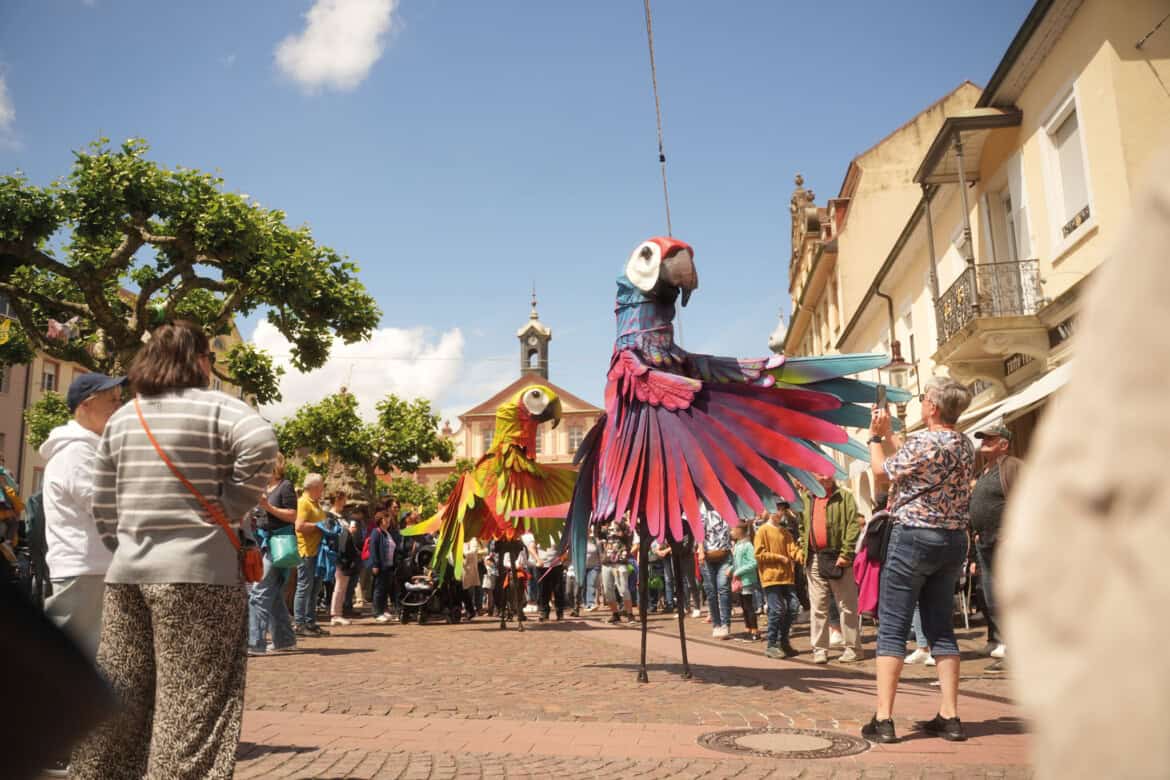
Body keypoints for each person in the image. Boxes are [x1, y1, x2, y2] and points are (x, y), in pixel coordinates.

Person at [72, 320, 278, 779]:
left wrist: (120, 542)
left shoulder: (125, 416)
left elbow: (103, 497)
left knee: (122, 696)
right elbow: (262, 444)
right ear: (200, 360)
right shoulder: (220, 409)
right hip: (198, 573)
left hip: (127, 573)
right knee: (192, 704)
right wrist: (229, 507)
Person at [866, 375, 975, 744]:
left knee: (894, 627)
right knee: (941, 627)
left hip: (912, 537)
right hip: (952, 540)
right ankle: (951, 715)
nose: (922, 402)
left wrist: (874, 438)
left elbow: (882, 474)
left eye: (924, 398)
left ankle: (884, 719)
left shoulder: (924, 442)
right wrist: (893, 435)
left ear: (932, 406)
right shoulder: (963, 444)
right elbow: (915, 461)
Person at [39, 373, 125, 663]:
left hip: (96, 568)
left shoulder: (92, 448)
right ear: (86, 406)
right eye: (111, 400)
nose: (119, 406)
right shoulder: (76, 452)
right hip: (85, 569)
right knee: (66, 668)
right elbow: (107, 505)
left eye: (119, 399)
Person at [969, 423, 1021, 668]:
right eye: (983, 438)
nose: (985, 441)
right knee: (990, 596)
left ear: (1004, 444)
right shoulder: (983, 471)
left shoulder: (1013, 466)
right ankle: (1000, 642)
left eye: (991, 439)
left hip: (1005, 540)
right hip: (985, 540)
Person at [800, 473, 863, 664]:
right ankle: (819, 649)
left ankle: (853, 648)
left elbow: (853, 525)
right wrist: (803, 546)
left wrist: (846, 553)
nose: (826, 476)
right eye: (820, 473)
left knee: (847, 605)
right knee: (818, 606)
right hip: (815, 557)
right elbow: (803, 527)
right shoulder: (806, 498)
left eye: (829, 472)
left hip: (838, 555)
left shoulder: (844, 497)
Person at [248, 453, 298, 656]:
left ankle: (255, 642)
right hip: (263, 542)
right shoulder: (263, 489)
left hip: (279, 544)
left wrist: (267, 507)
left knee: (258, 593)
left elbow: (293, 515)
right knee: (274, 594)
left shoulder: (285, 486)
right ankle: (284, 639)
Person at [755, 509, 803, 658]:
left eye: (781, 509)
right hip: (771, 577)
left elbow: (793, 550)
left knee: (793, 607)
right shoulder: (762, 531)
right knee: (776, 610)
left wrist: (803, 555)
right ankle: (771, 644)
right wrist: (778, 558)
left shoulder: (785, 532)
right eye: (776, 509)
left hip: (787, 577)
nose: (779, 512)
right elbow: (759, 554)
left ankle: (783, 641)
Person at [292, 474, 329, 637]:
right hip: (306, 551)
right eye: (321, 487)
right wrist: (319, 526)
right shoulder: (303, 502)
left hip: (318, 552)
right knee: (304, 587)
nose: (323, 490)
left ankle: (310, 621)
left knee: (314, 590)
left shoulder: (316, 503)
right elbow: (299, 526)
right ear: (314, 487)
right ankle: (299, 624)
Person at [698, 504, 734, 639]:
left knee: (724, 588)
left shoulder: (727, 505)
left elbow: (733, 529)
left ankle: (725, 624)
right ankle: (716, 624)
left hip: (724, 553)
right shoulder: (703, 508)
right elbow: (698, 529)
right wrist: (701, 550)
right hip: (707, 555)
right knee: (711, 591)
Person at [598, 515, 633, 623]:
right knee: (608, 590)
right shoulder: (606, 523)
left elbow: (628, 536)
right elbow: (599, 534)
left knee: (623, 589)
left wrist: (620, 525)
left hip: (620, 562)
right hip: (607, 562)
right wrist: (599, 523)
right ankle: (615, 614)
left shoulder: (624, 523)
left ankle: (630, 614)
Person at [730, 523, 760, 641]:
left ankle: (755, 630)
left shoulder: (748, 545)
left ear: (740, 530)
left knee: (748, 606)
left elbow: (753, 563)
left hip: (747, 580)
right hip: (740, 581)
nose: (731, 532)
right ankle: (748, 628)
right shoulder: (737, 545)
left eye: (733, 529)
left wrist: (738, 571)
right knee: (743, 605)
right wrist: (731, 569)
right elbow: (736, 562)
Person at [367, 511, 397, 623]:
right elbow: (373, 549)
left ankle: (383, 610)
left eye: (388, 519)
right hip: (380, 565)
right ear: (380, 520)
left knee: (385, 589)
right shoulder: (376, 532)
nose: (388, 521)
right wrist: (375, 564)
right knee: (379, 589)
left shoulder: (387, 533)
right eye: (386, 519)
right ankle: (377, 613)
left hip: (388, 565)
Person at [335, 514, 361, 622]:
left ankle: (347, 606)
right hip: (346, 563)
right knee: (343, 588)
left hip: (353, 562)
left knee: (351, 585)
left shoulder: (355, 532)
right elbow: (344, 549)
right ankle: (341, 610)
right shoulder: (346, 532)